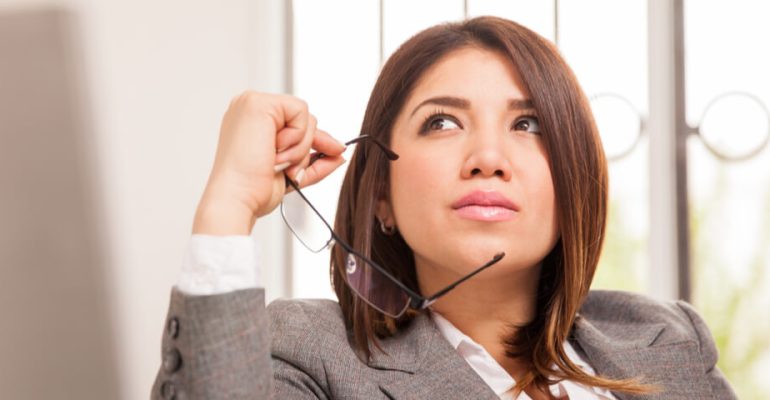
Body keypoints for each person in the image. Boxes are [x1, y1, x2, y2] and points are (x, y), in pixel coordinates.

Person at [152, 16, 736, 399]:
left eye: (527, 124)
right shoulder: (306, 352)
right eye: (442, 122)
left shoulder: (667, 339)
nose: (487, 157)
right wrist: (228, 204)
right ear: (380, 193)